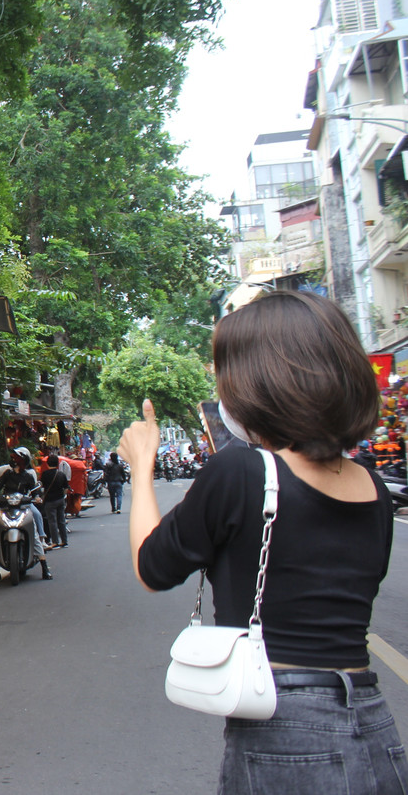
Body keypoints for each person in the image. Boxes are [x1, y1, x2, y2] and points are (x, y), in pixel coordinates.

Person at [120, 291, 402, 794]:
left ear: (260, 380)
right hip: (373, 723)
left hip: (285, 728)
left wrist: (142, 467)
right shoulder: (372, 487)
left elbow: (152, 568)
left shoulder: (243, 471)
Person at [0, 446, 51, 581]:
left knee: (35, 532)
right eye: (14, 458)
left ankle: (45, 567)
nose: (15, 461)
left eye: (18, 459)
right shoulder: (7, 474)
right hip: (6, 507)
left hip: (24, 506)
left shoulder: (28, 475)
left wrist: (37, 497)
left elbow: (34, 490)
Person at [39, 455, 69, 548]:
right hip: (60, 499)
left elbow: (41, 486)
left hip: (50, 500)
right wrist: (63, 496)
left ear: (47, 464)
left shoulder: (45, 474)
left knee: (52, 521)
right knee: (61, 520)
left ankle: (55, 542)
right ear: (57, 464)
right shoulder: (61, 474)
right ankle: (64, 541)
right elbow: (66, 488)